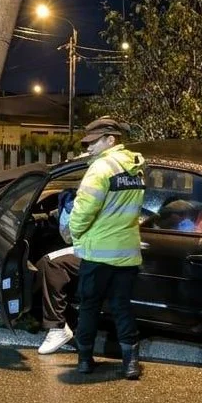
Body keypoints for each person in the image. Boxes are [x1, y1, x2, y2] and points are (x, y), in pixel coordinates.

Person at [69, 117, 146, 379]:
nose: (88, 147)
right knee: (122, 306)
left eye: (93, 142)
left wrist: (73, 232)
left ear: (111, 140)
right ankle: (131, 364)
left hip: (98, 253)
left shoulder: (101, 168)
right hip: (127, 253)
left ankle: (84, 361)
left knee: (89, 307)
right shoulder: (136, 168)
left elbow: (83, 210)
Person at [35, 189, 81, 355]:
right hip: (122, 247)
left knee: (49, 263)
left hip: (99, 250)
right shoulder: (133, 180)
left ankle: (57, 327)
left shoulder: (102, 178)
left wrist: (68, 211)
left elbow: (70, 234)